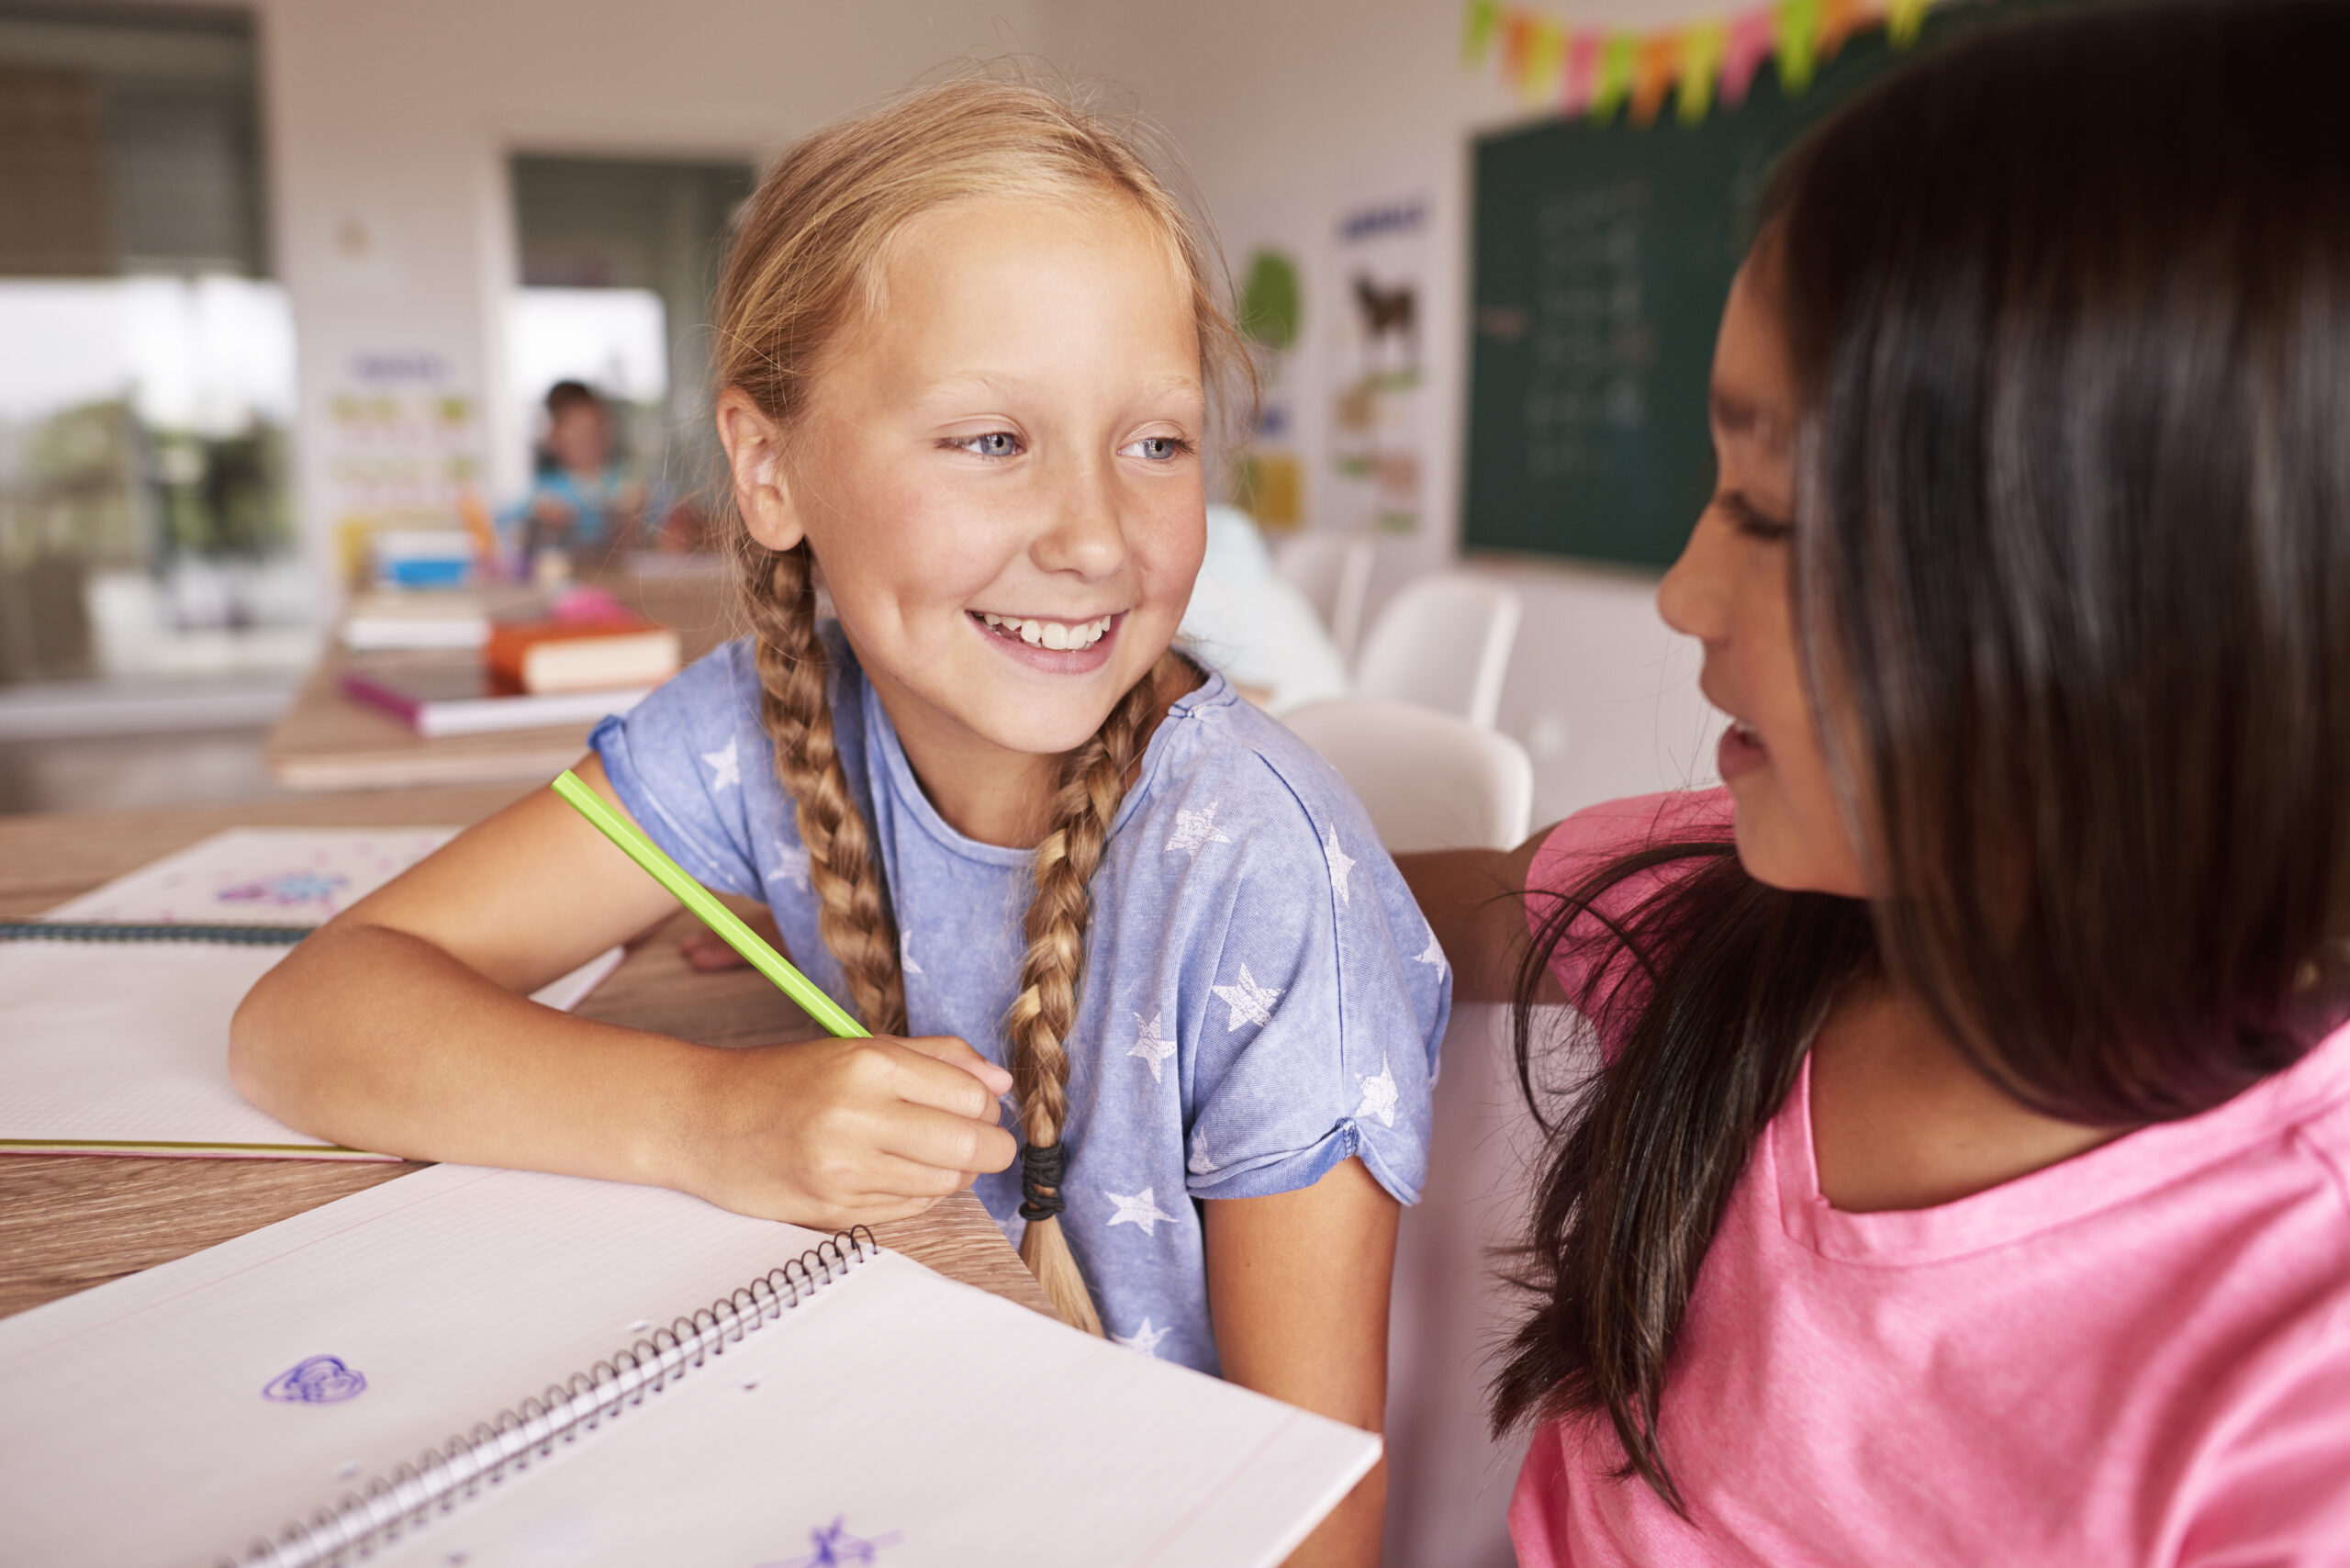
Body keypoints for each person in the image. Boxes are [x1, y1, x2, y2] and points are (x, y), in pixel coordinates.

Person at [231, 77, 1444, 1565]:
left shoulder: (1262, 873)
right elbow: (308, 1016)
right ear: (770, 469)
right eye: (991, 439)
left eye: (1157, 443)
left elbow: (1323, 1522)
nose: (1093, 536)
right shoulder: (756, 725)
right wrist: (715, 1119)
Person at [1403, 3, 2350, 1561]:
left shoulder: (2301, 1353)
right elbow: (1396, 899)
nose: (1682, 592)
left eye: (1770, 514)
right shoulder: (1711, 910)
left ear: (2146, 613)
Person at [512, 379, 655, 563]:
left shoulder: (630, 480)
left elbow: (661, 528)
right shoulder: (544, 490)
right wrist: (537, 515)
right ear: (555, 439)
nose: (586, 445)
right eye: (577, 437)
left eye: (590, 433)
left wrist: (638, 513)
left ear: (606, 431)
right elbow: (511, 524)